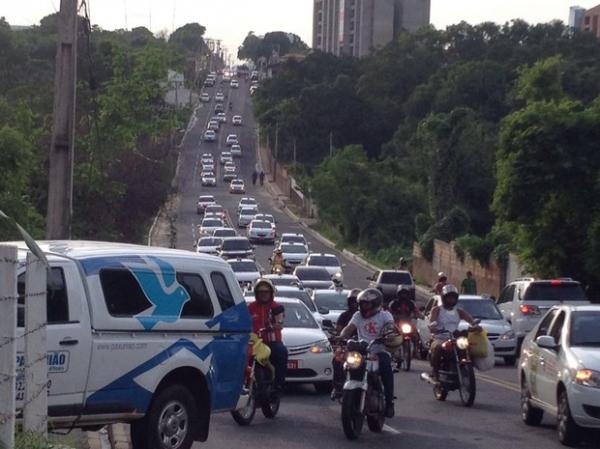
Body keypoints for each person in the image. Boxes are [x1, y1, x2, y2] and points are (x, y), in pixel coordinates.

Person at [340, 288, 396, 418]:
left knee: (386, 366)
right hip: (361, 351)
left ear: (375, 304)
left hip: (379, 351)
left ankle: (389, 403)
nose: (364, 306)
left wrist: (387, 333)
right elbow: (349, 328)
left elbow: (390, 326)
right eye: (362, 303)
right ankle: (339, 389)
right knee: (342, 362)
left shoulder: (384, 315)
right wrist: (342, 336)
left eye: (367, 304)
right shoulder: (357, 316)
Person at [428, 284, 479, 382]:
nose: (451, 300)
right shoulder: (437, 309)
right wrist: (433, 326)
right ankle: (435, 373)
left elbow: (470, 319)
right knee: (438, 348)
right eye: (448, 298)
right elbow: (432, 321)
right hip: (440, 337)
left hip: (455, 337)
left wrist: (474, 324)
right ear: (443, 298)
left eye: (453, 298)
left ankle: (466, 369)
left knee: (468, 346)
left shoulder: (459, 311)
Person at [247, 279, 288, 392]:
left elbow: (280, 322)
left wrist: (274, 326)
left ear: (271, 293)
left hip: (272, 343)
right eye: (261, 292)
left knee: (281, 352)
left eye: (266, 292)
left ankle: (278, 384)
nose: (264, 294)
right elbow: (244, 321)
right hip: (255, 343)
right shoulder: (251, 307)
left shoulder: (276, 307)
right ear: (256, 293)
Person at [331, 288, 360, 400]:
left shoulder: (366, 316)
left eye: (356, 302)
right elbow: (340, 330)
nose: (354, 304)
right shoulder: (344, 316)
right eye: (352, 301)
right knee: (337, 359)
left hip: (363, 348)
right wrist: (339, 337)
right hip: (347, 345)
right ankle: (338, 387)